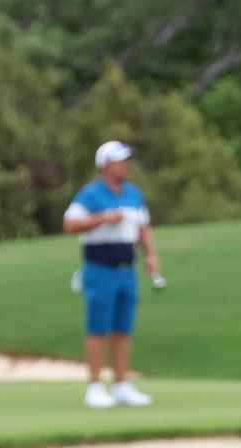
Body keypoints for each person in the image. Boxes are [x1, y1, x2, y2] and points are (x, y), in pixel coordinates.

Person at [62, 141, 162, 409]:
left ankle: (121, 385)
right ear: (105, 165)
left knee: (123, 329)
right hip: (99, 269)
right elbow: (70, 224)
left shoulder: (134, 194)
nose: (125, 165)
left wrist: (151, 255)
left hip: (126, 269)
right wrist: (103, 218)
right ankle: (94, 388)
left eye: (126, 160)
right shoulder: (90, 195)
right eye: (119, 161)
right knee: (98, 329)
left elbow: (144, 228)